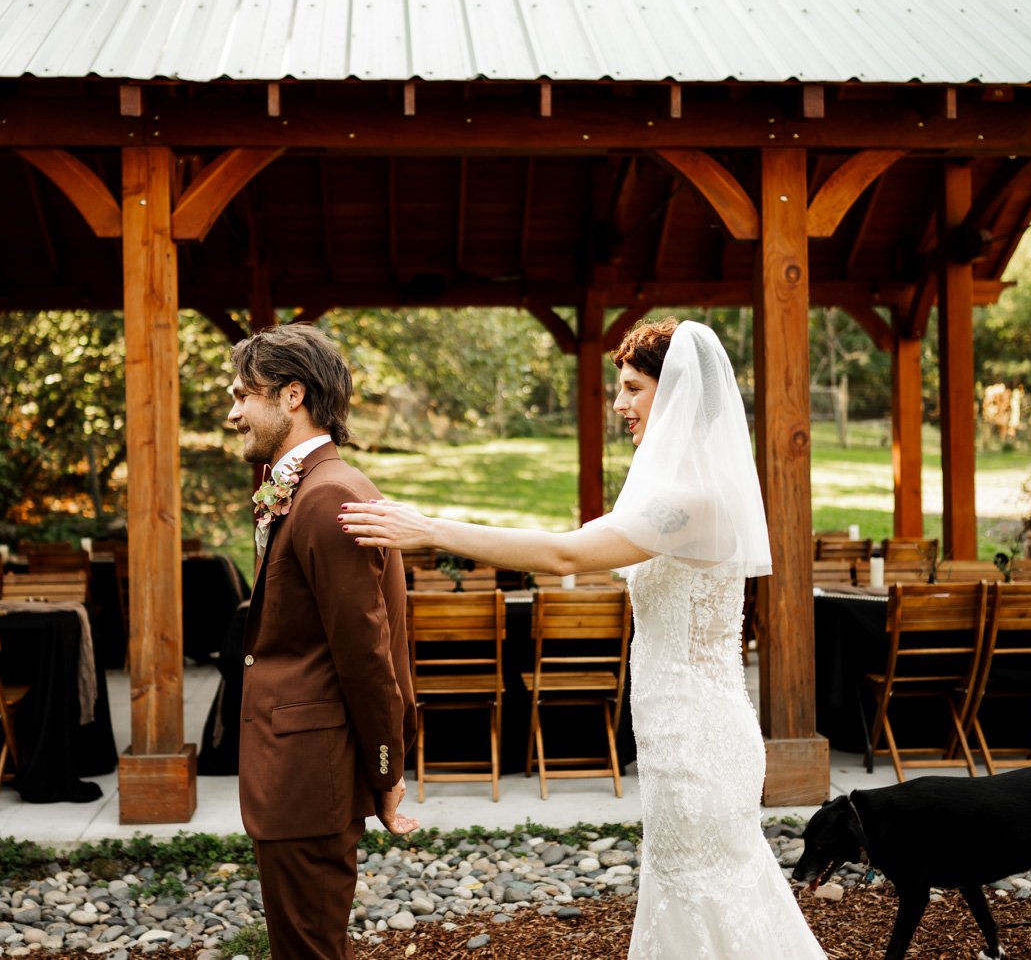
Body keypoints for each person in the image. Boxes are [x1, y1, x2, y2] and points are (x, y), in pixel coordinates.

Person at [339, 317, 827, 958]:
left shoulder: (691, 502)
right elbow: (569, 539)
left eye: (631, 388)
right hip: (680, 733)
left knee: (708, 895)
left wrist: (429, 528)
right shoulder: (677, 494)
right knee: (701, 891)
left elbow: (563, 555)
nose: (619, 404)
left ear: (674, 393)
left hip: (697, 743)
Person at [227, 323, 418, 959]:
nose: (232, 413)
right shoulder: (305, 487)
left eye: (242, 395)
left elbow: (370, 657)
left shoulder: (329, 495)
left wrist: (385, 768)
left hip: (310, 775)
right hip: (297, 773)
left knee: (309, 950)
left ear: (291, 396)